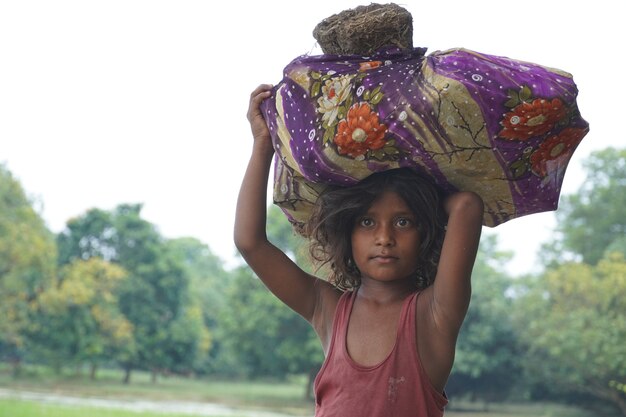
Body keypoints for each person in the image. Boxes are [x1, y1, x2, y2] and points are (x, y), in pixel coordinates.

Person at [234, 84, 484, 417]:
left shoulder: (435, 313)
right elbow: (250, 242)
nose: (385, 238)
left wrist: (422, 199)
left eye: (403, 223)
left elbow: (467, 206)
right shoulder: (327, 308)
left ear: (424, 234)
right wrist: (262, 144)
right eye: (367, 223)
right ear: (347, 234)